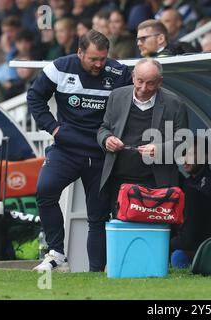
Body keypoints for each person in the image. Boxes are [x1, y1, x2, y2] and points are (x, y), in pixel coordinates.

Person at [27, 29, 132, 272]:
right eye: (93, 59)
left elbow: (133, 105)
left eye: (102, 59)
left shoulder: (118, 72)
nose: (98, 64)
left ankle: (97, 272)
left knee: (97, 216)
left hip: (101, 152)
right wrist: (53, 128)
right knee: (45, 191)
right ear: (79, 53)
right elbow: (34, 97)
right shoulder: (60, 67)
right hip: (66, 149)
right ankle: (56, 253)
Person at [97, 58, 188, 216]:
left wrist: (159, 150)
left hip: (156, 183)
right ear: (132, 76)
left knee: (153, 231)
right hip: (119, 181)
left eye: (150, 83)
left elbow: (184, 142)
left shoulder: (175, 104)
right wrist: (107, 140)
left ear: (160, 82)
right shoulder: (117, 96)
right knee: (121, 232)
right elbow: (104, 128)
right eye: (140, 81)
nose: (144, 88)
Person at [170, 137, 211, 268]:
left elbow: (195, 232)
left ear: (205, 157)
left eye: (191, 154)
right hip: (192, 241)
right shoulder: (188, 183)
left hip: (208, 246)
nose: (185, 159)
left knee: (178, 256)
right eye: (184, 154)